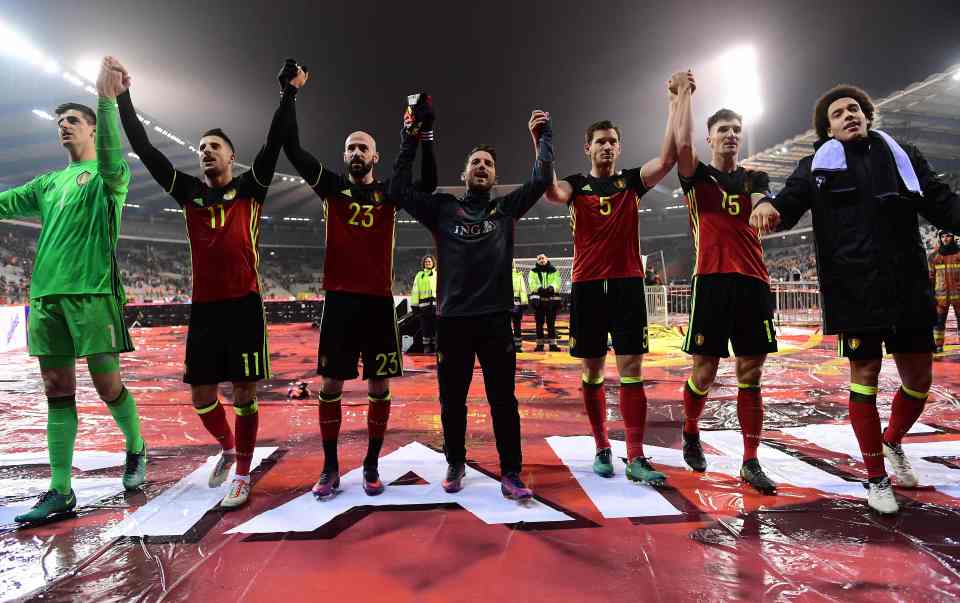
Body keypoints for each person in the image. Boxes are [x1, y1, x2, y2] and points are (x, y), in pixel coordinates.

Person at [750, 84, 960, 514]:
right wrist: (767, 206)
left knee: (919, 382)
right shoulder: (815, 167)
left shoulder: (903, 156)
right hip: (855, 290)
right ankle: (876, 478)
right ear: (827, 128)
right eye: (838, 113)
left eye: (855, 109)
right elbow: (787, 203)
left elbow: (941, 203)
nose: (849, 115)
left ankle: (893, 442)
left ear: (867, 115)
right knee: (864, 376)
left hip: (907, 285)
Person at [112, 57, 292, 508]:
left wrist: (289, 92)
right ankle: (228, 448)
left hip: (245, 305)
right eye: (202, 147)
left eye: (215, 146)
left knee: (245, 392)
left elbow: (275, 142)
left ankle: (244, 474)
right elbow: (146, 148)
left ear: (232, 156)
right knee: (202, 397)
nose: (206, 151)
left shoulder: (253, 188)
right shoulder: (187, 190)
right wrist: (123, 98)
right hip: (207, 308)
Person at [2, 58, 147, 524]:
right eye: (61, 121)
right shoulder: (47, 183)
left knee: (108, 387)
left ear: (89, 130)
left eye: (73, 121)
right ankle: (60, 490)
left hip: (92, 293)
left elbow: (111, 152)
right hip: (45, 298)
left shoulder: (109, 178)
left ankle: (136, 447)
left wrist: (106, 101)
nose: (64, 126)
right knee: (56, 390)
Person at [390, 97, 554, 500]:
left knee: (503, 401)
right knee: (452, 403)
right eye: (475, 162)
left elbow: (540, 180)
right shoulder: (443, 209)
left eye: (488, 164)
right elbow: (397, 189)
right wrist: (411, 136)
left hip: (496, 320)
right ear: (463, 173)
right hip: (452, 322)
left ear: (495, 176)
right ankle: (455, 461)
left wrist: (543, 137)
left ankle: (511, 472)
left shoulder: (504, 209)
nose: (482, 166)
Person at [283, 75, 437, 498]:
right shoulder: (331, 188)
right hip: (339, 301)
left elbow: (423, 184)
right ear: (344, 155)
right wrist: (290, 93)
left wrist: (421, 136)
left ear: (375, 156)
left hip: (377, 303)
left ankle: (370, 464)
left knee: (379, 386)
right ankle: (331, 466)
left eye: (362, 147)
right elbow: (293, 149)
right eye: (350, 147)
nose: (355, 153)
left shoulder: (389, 193)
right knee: (330, 385)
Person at [542, 79, 678, 484]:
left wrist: (675, 103)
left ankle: (635, 455)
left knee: (632, 368)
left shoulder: (632, 182)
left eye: (612, 141)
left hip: (626, 284)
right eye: (599, 141)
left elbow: (668, 160)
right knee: (593, 371)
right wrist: (541, 141)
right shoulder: (576, 185)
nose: (606, 146)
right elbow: (549, 191)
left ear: (619, 147)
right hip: (586, 286)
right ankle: (602, 446)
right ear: (587, 147)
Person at [672, 71, 778, 494]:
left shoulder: (754, 177)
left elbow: (762, 199)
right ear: (710, 139)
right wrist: (683, 94)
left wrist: (764, 204)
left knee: (751, 373)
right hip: (711, 280)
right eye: (723, 130)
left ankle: (750, 461)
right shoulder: (696, 176)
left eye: (737, 129)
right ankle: (691, 429)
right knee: (706, 370)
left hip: (753, 281)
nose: (731, 135)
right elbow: (680, 144)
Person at [930, 230, 960, 353]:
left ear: (953, 237)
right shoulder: (935, 256)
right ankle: (938, 345)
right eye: (942, 236)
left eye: (948, 236)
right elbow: (931, 276)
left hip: (959, 295)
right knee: (938, 323)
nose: (945, 239)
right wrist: (930, 294)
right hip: (940, 296)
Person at [528, 253, 561, 351]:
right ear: (537, 261)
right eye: (539, 259)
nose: (541, 260)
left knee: (551, 324)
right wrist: (540, 288)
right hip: (539, 302)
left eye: (543, 258)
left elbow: (557, 281)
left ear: (547, 259)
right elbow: (531, 282)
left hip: (551, 301)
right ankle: (539, 345)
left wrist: (552, 288)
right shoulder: (532, 272)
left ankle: (553, 345)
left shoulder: (554, 270)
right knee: (539, 324)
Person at [411, 255, 438, 353]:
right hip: (424, 307)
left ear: (433, 263)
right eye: (426, 262)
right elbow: (415, 291)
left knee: (436, 327)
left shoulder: (437, 274)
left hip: (436, 306)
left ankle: (436, 346)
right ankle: (426, 347)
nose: (428, 263)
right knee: (425, 328)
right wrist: (414, 306)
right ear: (424, 263)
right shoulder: (420, 275)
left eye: (429, 261)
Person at [511, 261, 529, 350]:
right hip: (507, 304)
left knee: (517, 325)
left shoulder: (518, 275)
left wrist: (524, 302)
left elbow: (522, 289)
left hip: (515, 303)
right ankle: (510, 346)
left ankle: (517, 346)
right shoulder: (499, 274)